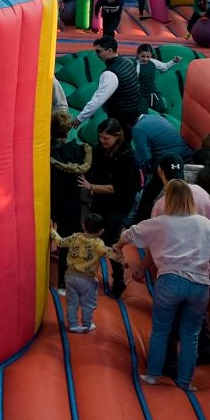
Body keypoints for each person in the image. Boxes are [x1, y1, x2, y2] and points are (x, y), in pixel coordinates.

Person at [121, 179, 210, 391]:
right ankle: (185, 381)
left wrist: (118, 246)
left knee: (161, 330)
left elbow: (130, 233)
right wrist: (204, 258)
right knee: (190, 335)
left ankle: (153, 374)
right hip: (199, 285)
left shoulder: (161, 221)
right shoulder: (205, 224)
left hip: (170, 281)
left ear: (168, 199)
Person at [81, 119, 139, 299]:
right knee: (93, 236)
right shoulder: (99, 149)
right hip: (101, 201)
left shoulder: (127, 157)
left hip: (118, 204)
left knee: (111, 242)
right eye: (100, 137)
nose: (102, 141)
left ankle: (119, 280)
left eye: (106, 138)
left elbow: (117, 188)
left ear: (117, 136)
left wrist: (91, 186)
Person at [52, 214, 123, 333]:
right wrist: (121, 258)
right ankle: (87, 324)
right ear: (101, 231)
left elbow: (60, 242)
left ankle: (73, 324)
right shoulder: (98, 243)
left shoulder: (75, 237)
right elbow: (110, 253)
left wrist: (53, 232)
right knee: (88, 303)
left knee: (72, 301)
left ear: (83, 226)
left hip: (70, 276)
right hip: (86, 279)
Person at [49, 109, 92, 294]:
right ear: (68, 131)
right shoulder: (78, 151)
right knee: (69, 242)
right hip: (71, 202)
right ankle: (62, 283)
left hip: (50, 199)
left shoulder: (46, 151)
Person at [76, 36, 145, 131]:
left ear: (109, 50)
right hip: (137, 111)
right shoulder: (128, 62)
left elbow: (98, 99)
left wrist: (80, 118)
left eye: (98, 51)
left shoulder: (110, 73)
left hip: (122, 117)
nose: (96, 54)